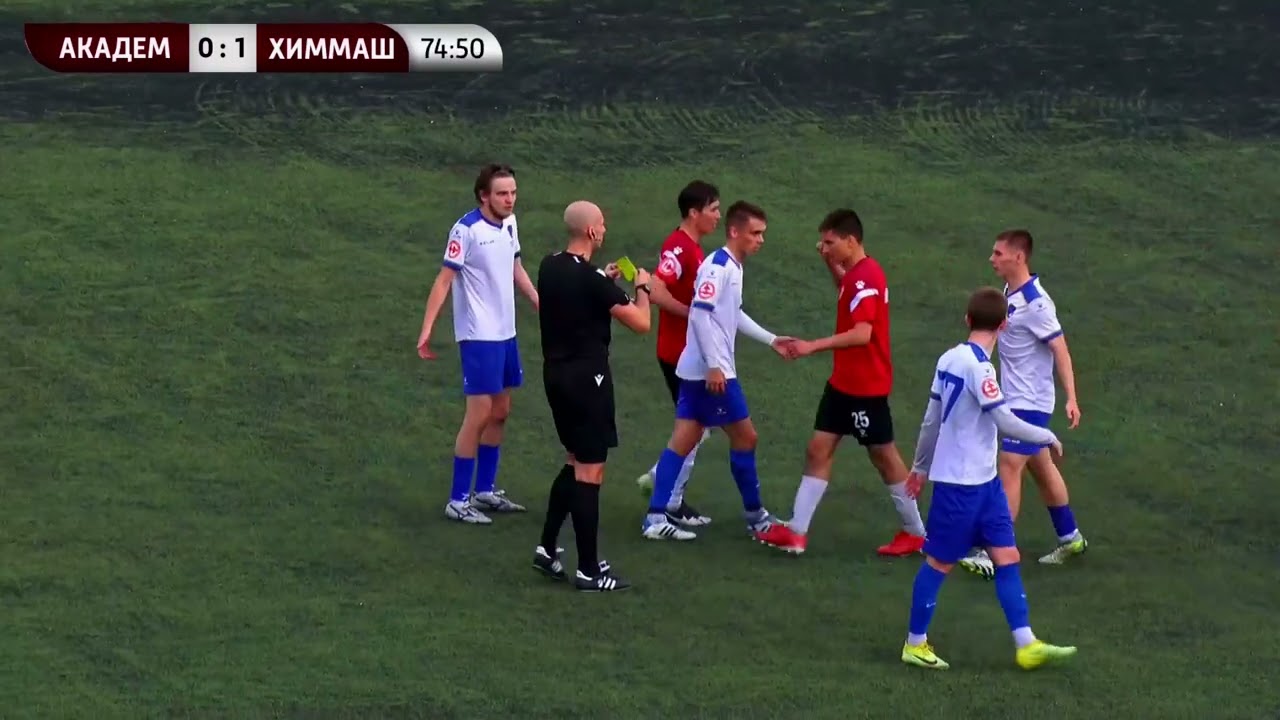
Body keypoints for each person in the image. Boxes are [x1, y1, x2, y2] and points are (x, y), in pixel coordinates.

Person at [899, 286, 1077, 671]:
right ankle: (914, 643)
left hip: (987, 484)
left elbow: (930, 421)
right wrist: (1045, 435)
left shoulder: (948, 358)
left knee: (1007, 556)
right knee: (939, 563)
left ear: (967, 319)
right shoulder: (980, 369)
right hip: (961, 487)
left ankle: (1026, 644)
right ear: (1004, 325)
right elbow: (1004, 420)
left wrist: (919, 467)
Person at [754, 209, 926, 556]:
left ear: (851, 240)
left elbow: (863, 334)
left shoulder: (866, 279)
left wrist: (812, 345)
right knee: (818, 449)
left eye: (830, 242)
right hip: (843, 384)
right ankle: (797, 532)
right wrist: (831, 265)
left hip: (865, 388)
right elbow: (848, 293)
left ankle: (916, 532)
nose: (824, 247)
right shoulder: (857, 274)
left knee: (884, 456)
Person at [641, 201, 795, 541]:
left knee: (684, 440)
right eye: (755, 233)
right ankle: (756, 518)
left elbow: (733, 313)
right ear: (735, 231)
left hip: (697, 370)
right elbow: (699, 314)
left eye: (762, 234)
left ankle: (654, 517)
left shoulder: (732, 267)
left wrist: (771, 340)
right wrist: (714, 366)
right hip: (712, 373)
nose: (760, 240)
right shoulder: (718, 267)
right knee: (745, 437)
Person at [532, 200, 653, 592]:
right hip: (589, 381)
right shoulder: (592, 281)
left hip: (556, 377)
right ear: (591, 231)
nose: (605, 228)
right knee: (590, 472)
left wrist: (604, 278)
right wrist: (642, 287)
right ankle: (588, 570)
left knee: (574, 461)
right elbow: (642, 323)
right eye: (602, 223)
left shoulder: (550, 266)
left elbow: (578, 290)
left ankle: (547, 549)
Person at [416, 163, 540, 524]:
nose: (510, 199)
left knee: (501, 411)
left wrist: (537, 300)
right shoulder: (466, 230)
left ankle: (484, 491)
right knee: (479, 414)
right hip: (478, 335)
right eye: (502, 193)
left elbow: (515, 266)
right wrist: (427, 329)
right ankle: (457, 500)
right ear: (484, 196)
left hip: (506, 333)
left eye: (513, 192)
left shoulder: (510, 223)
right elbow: (444, 280)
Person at [959, 230, 1087, 578]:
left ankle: (994, 552)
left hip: (1029, 401)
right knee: (1040, 466)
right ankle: (1071, 536)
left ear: (1018, 257)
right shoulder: (1009, 292)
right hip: (1015, 397)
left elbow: (1060, 349)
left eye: (998, 253)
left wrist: (1072, 397)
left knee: (1009, 465)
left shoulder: (1036, 303)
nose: (992, 259)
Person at [634, 180, 722, 528]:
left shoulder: (692, 247)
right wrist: (693, 313)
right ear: (694, 212)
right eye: (713, 209)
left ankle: (664, 486)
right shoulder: (679, 247)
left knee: (698, 427)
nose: (718, 216)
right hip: (678, 353)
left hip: (686, 352)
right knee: (695, 427)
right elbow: (656, 289)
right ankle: (668, 497)